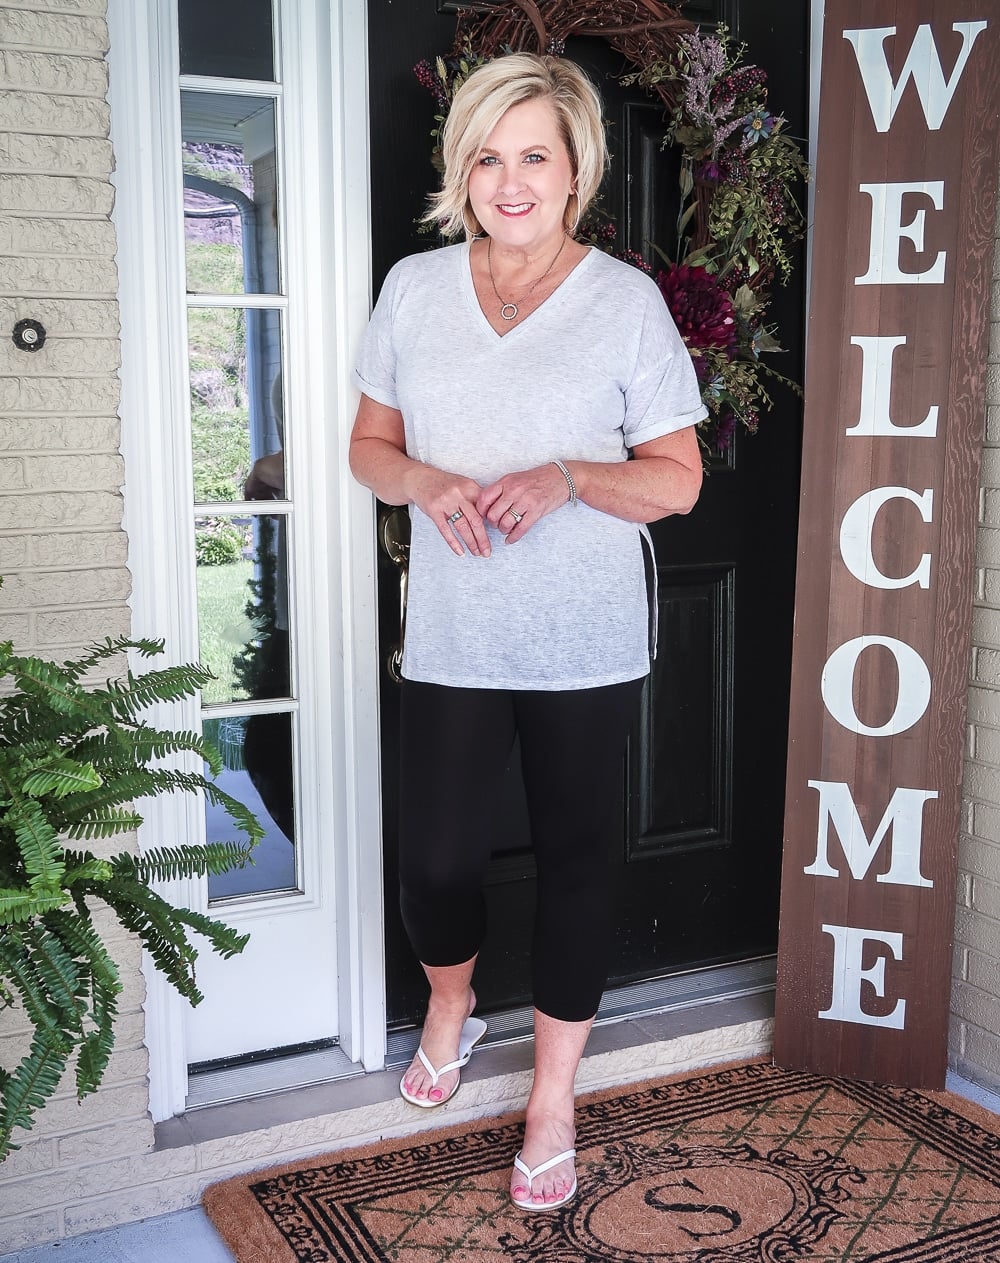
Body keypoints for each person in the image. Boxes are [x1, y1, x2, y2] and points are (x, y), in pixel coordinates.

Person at [349, 52, 706, 1213]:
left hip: (584, 638)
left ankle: (552, 1098)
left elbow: (678, 480)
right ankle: (452, 1002)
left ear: (575, 171)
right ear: (462, 169)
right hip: (455, 633)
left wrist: (568, 478)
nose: (510, 182)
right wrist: (422, 479)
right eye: (488, 157)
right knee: (436, 861)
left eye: (534, 157)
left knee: (578, 862)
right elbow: (368, 449)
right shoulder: (413, 290)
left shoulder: (625, 303)